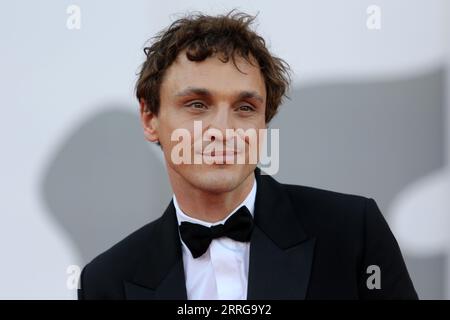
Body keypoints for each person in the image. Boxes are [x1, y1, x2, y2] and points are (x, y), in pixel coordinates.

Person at [78, 10, 418, 300]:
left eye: (245, 107)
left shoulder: (352, 234)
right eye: (197, 104)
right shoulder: (106, 283)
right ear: (150, 118)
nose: (223, 129)